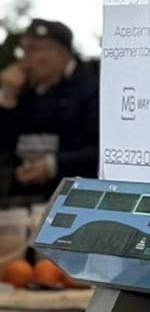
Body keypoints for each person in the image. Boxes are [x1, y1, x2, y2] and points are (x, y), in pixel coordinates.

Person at [0, 19, 100, 200]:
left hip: (73, 197)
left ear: (60, 54)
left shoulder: (91, 86)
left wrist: (54, 165)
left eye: (34, 50)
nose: (25, 60)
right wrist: (7, 99)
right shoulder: (21, 87)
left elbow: (100, 151)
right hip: (23, 199)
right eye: (24, 51)